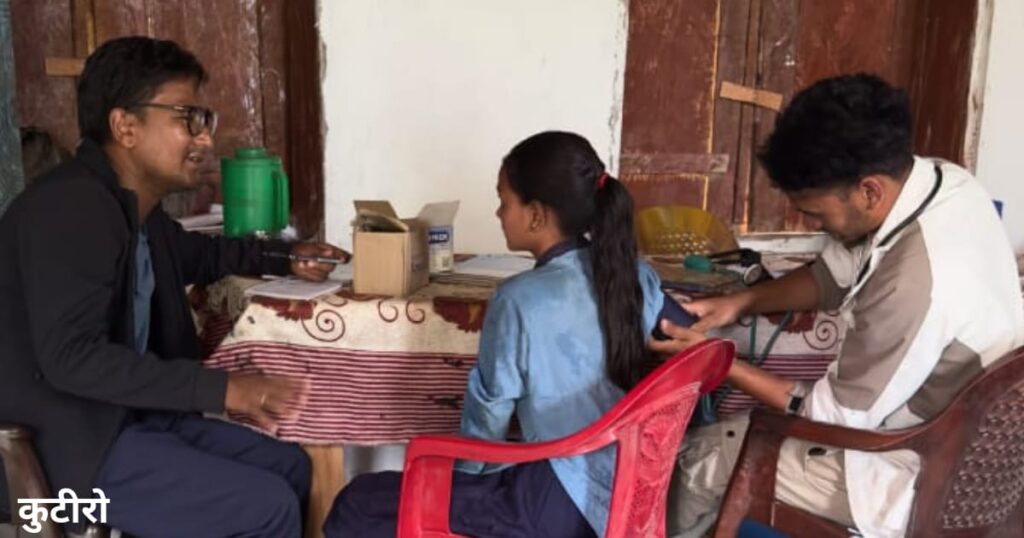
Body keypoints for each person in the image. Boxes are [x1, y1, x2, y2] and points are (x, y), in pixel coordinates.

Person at [0, 36, 349, 537]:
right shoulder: (72, 208)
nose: (203, 138)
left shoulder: (134, 211)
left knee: (292, 468)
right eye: (187, 118)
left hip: (126, 421)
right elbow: (72, 357)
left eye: (204, 120)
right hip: (66, 458)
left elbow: (202, 255)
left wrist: (285, 257)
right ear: (125, 127)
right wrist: (226, 389)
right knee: (265, 507)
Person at [653, 73, 1024, 538]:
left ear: (869, 191)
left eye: (816, 214)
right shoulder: (946, 184)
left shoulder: (914, 282)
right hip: (981, 454)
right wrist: (739, 302)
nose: (815, 226)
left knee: (698, 458)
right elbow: (833, 275)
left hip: (916, 472)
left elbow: (827, 416)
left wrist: (717, 360)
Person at [323, 131, 696, 537]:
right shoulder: (635, 275)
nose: (499, 213)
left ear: (535, 215)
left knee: (357, 502)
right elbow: (693, 342)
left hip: (551, 505)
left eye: (504, 201)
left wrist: (460, 485)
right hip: (628, 495)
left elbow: (487, 423)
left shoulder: (518, 299)